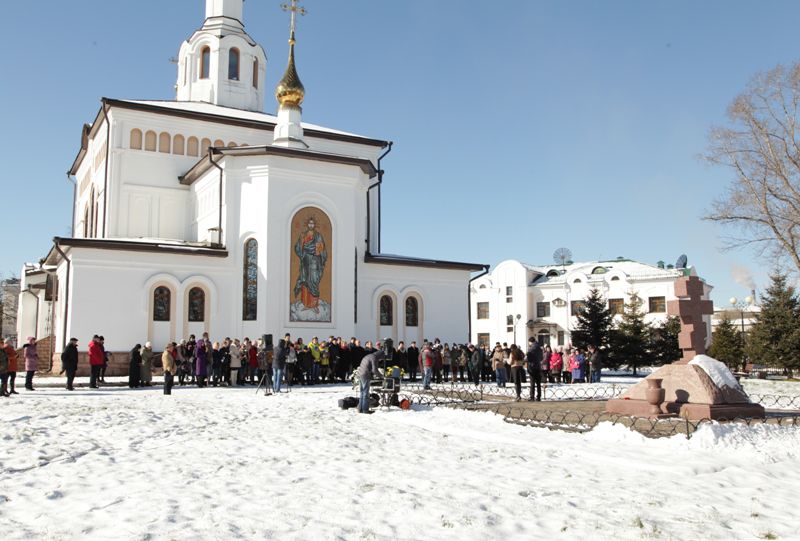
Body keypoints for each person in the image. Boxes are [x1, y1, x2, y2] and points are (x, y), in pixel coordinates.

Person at [356, 349, 384, 414]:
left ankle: (360, 409)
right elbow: (374, 370)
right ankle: (365, 410)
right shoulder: (374, 357)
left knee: (362, 392)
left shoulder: (369, 355)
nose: (380, 360)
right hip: (365, 376)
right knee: (365, 393)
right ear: (380, 356)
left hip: (360, 374)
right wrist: (381, 376)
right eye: (381, 359)